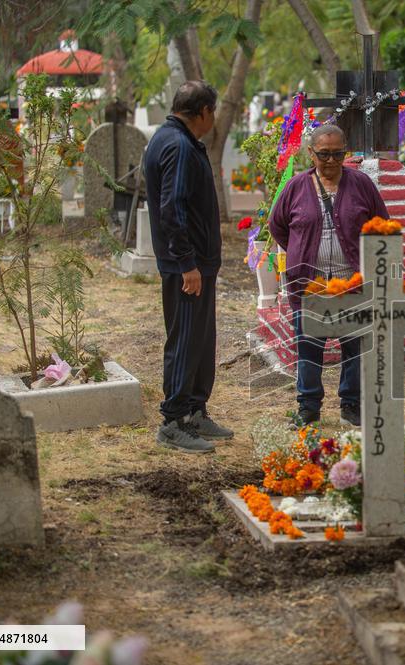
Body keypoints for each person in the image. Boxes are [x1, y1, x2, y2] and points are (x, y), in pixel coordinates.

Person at [270, 124, 389, 426]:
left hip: (352, 281)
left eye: (339, 154)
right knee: (309, 346)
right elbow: (278, 225)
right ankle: (308, 407)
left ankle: (351, 405)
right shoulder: (296, 187)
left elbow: (381, 224)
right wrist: (302, 251)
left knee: (354, 346)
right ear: (311, 153)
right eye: (325, 154)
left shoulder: (361, 184)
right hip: (310, 283)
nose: (332, 161)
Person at [144, 80, 234, 453]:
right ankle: (174, 420)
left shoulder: (174, 139)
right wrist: (187, 263)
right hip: (187, 266)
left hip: (197, 263)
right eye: (213, 111)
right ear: (204, 112)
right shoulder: (178, 146)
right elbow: (172, 208)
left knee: (200, 338)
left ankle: (195, 410)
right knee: (184, 341)